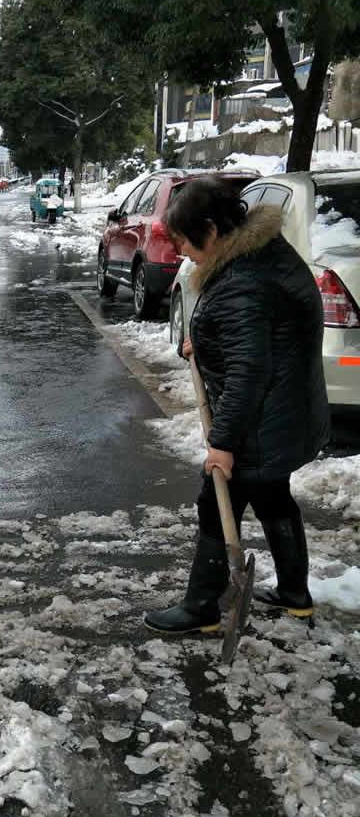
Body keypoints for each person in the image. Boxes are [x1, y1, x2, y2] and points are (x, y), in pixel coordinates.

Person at [144, 175, 329, 636]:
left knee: (215, 502)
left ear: (211, 230)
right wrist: (206, 343)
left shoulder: (243, 282)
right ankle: (294, 595)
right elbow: (261, 336)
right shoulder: (264, 254)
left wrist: (223, 444)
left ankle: (202, 608)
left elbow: (249, 371)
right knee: (273, 497)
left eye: (184, 241)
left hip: (259, 422)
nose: (181, 252)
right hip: (284, 412)